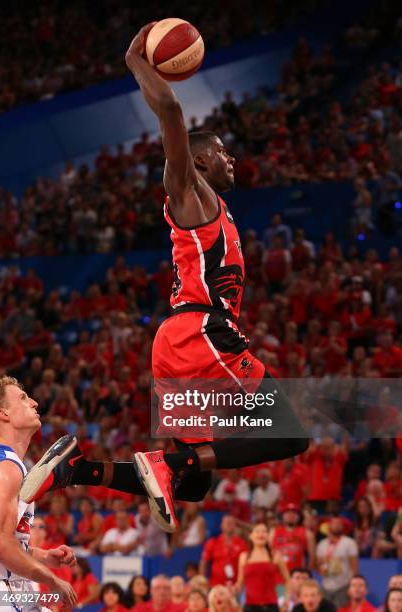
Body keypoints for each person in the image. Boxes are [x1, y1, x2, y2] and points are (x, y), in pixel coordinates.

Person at [21, 22, 308, 535]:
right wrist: (136, 58)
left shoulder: (215, 207)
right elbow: (172, 112)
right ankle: (164, 465)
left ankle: (77, 469)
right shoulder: (189, 191)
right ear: (198, 160)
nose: (230, 157)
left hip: (179, 342)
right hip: (200, 335)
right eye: (221, 151)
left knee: (194, 482)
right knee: (291, 435)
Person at [0, 376, 77, 610]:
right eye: (22, 398)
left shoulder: (7, 462)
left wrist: (43, 556)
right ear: (3, 414)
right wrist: (50, 578)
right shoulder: (5, 466)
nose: (34, 403)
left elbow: (5, 539)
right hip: (3, 592)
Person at [235, 522, 289, 611]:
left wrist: (286, 600)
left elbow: (287, 580)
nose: (260, 534)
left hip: (271, 606)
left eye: (264, 532)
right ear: (250, 536)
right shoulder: (244, 557)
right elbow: (240, 582)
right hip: (250, 606)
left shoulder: (275, 556)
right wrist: (234, 589)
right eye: (257, 531)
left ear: (268, 535)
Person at [316, 516, 359, 607]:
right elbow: (318, 566)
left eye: (339, 524)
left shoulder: (349, 543)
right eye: (334, 523)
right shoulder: (322, 544)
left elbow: (355, 567)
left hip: (343, 586)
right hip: (326, 586)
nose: (336, 526)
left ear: (343, 527)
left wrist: (353, 586)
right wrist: (321, 570)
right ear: (329, 526)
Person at [199, 515, 248, 587]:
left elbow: (245, 565)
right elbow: (203, 563)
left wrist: (241, 584)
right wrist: (202, 581)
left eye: (231, 523)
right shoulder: (212, 542)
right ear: (221, 525)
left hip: (235, 586)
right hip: (215, 585)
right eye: (226, 522)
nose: (229, 525)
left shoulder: (242, 543)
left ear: (235, 526)